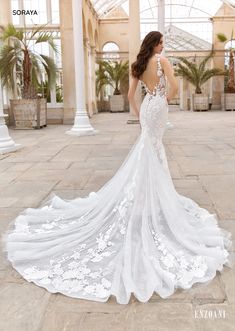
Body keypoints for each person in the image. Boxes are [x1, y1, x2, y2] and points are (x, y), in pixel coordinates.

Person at [2, 31, 233, 305]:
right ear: (156, 44)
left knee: (148, 149)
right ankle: (154, 198)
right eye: (161, 42)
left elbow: (131, 95)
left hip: (147, 108)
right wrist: (162, 99)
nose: (163, 46)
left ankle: (148, 196)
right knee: (154, 151)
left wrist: (140, 112)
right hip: (158, 107)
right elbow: (172, 87)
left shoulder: (137, 64)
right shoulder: (162, 60)